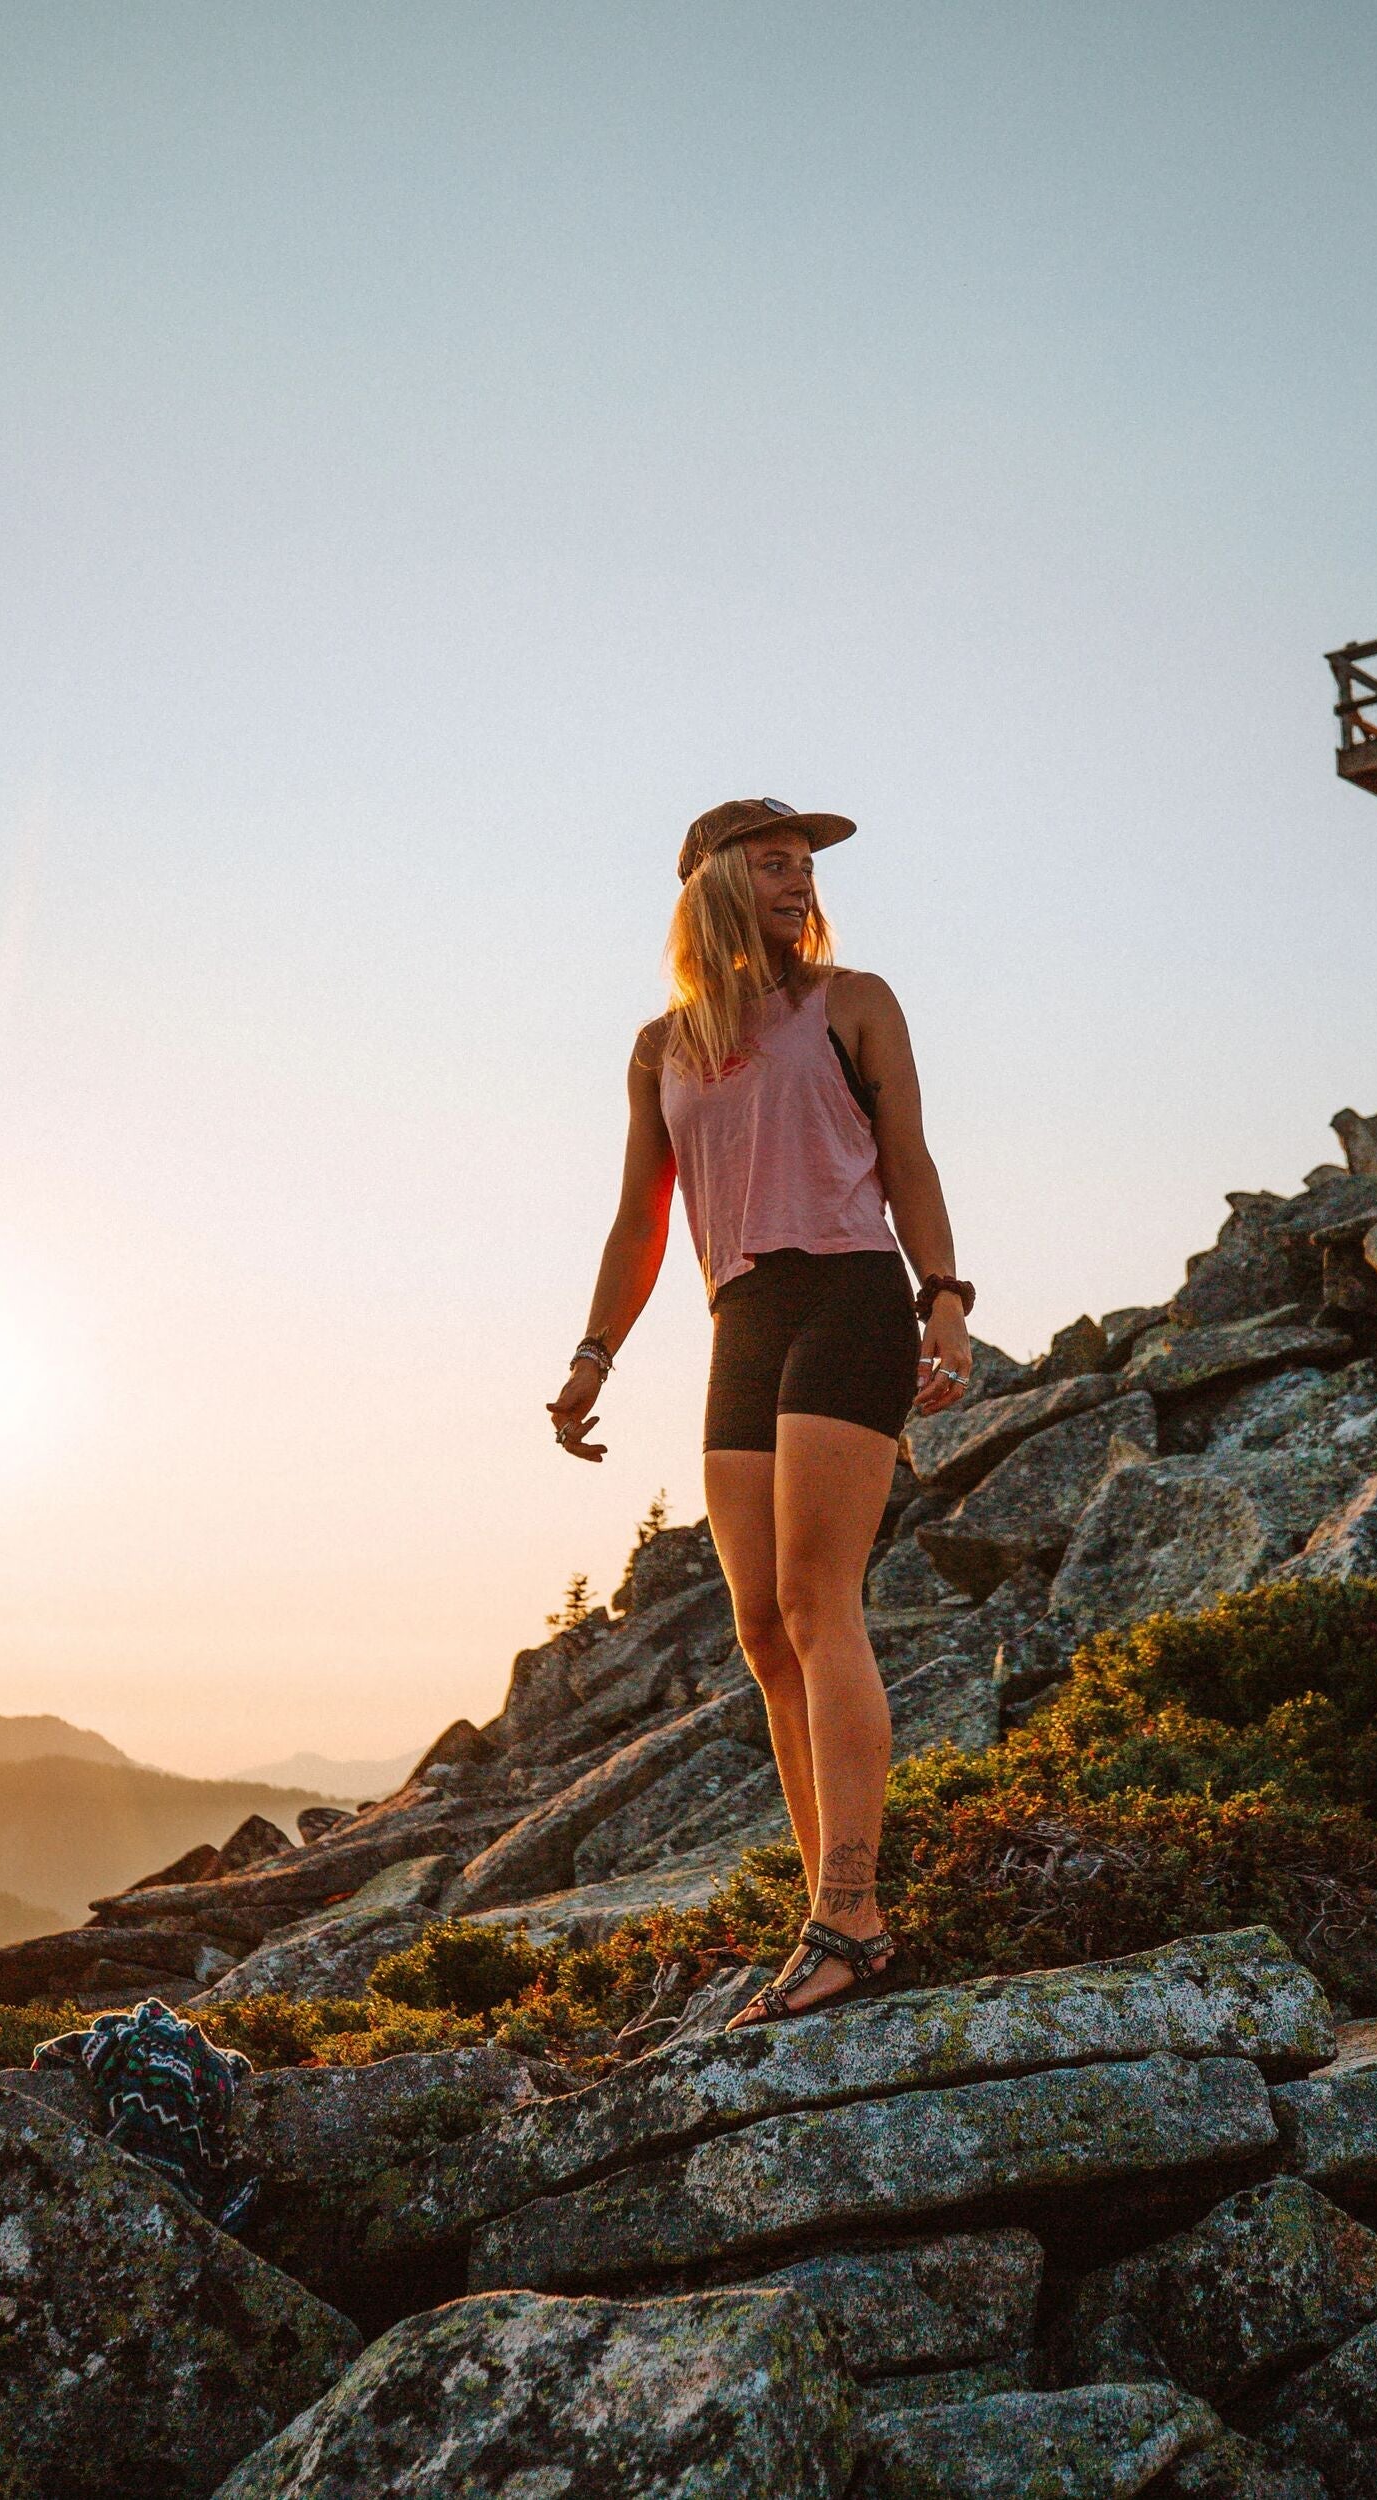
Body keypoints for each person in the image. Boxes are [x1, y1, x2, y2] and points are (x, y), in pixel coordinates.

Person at [546, 797, 975, 2026]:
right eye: (772, 862)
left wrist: (941, 1298)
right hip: (738, 1318)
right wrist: (592, 1356)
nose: (797, 881)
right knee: (757, 1627)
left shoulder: (853, 1001)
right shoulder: (659, 1045)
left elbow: (910, 1158)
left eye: (804, 866)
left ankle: (852, 1913)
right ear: (712, 885)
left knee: (813, 1597)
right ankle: (826, 1916)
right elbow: (639, 1218)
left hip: (846, 1292)